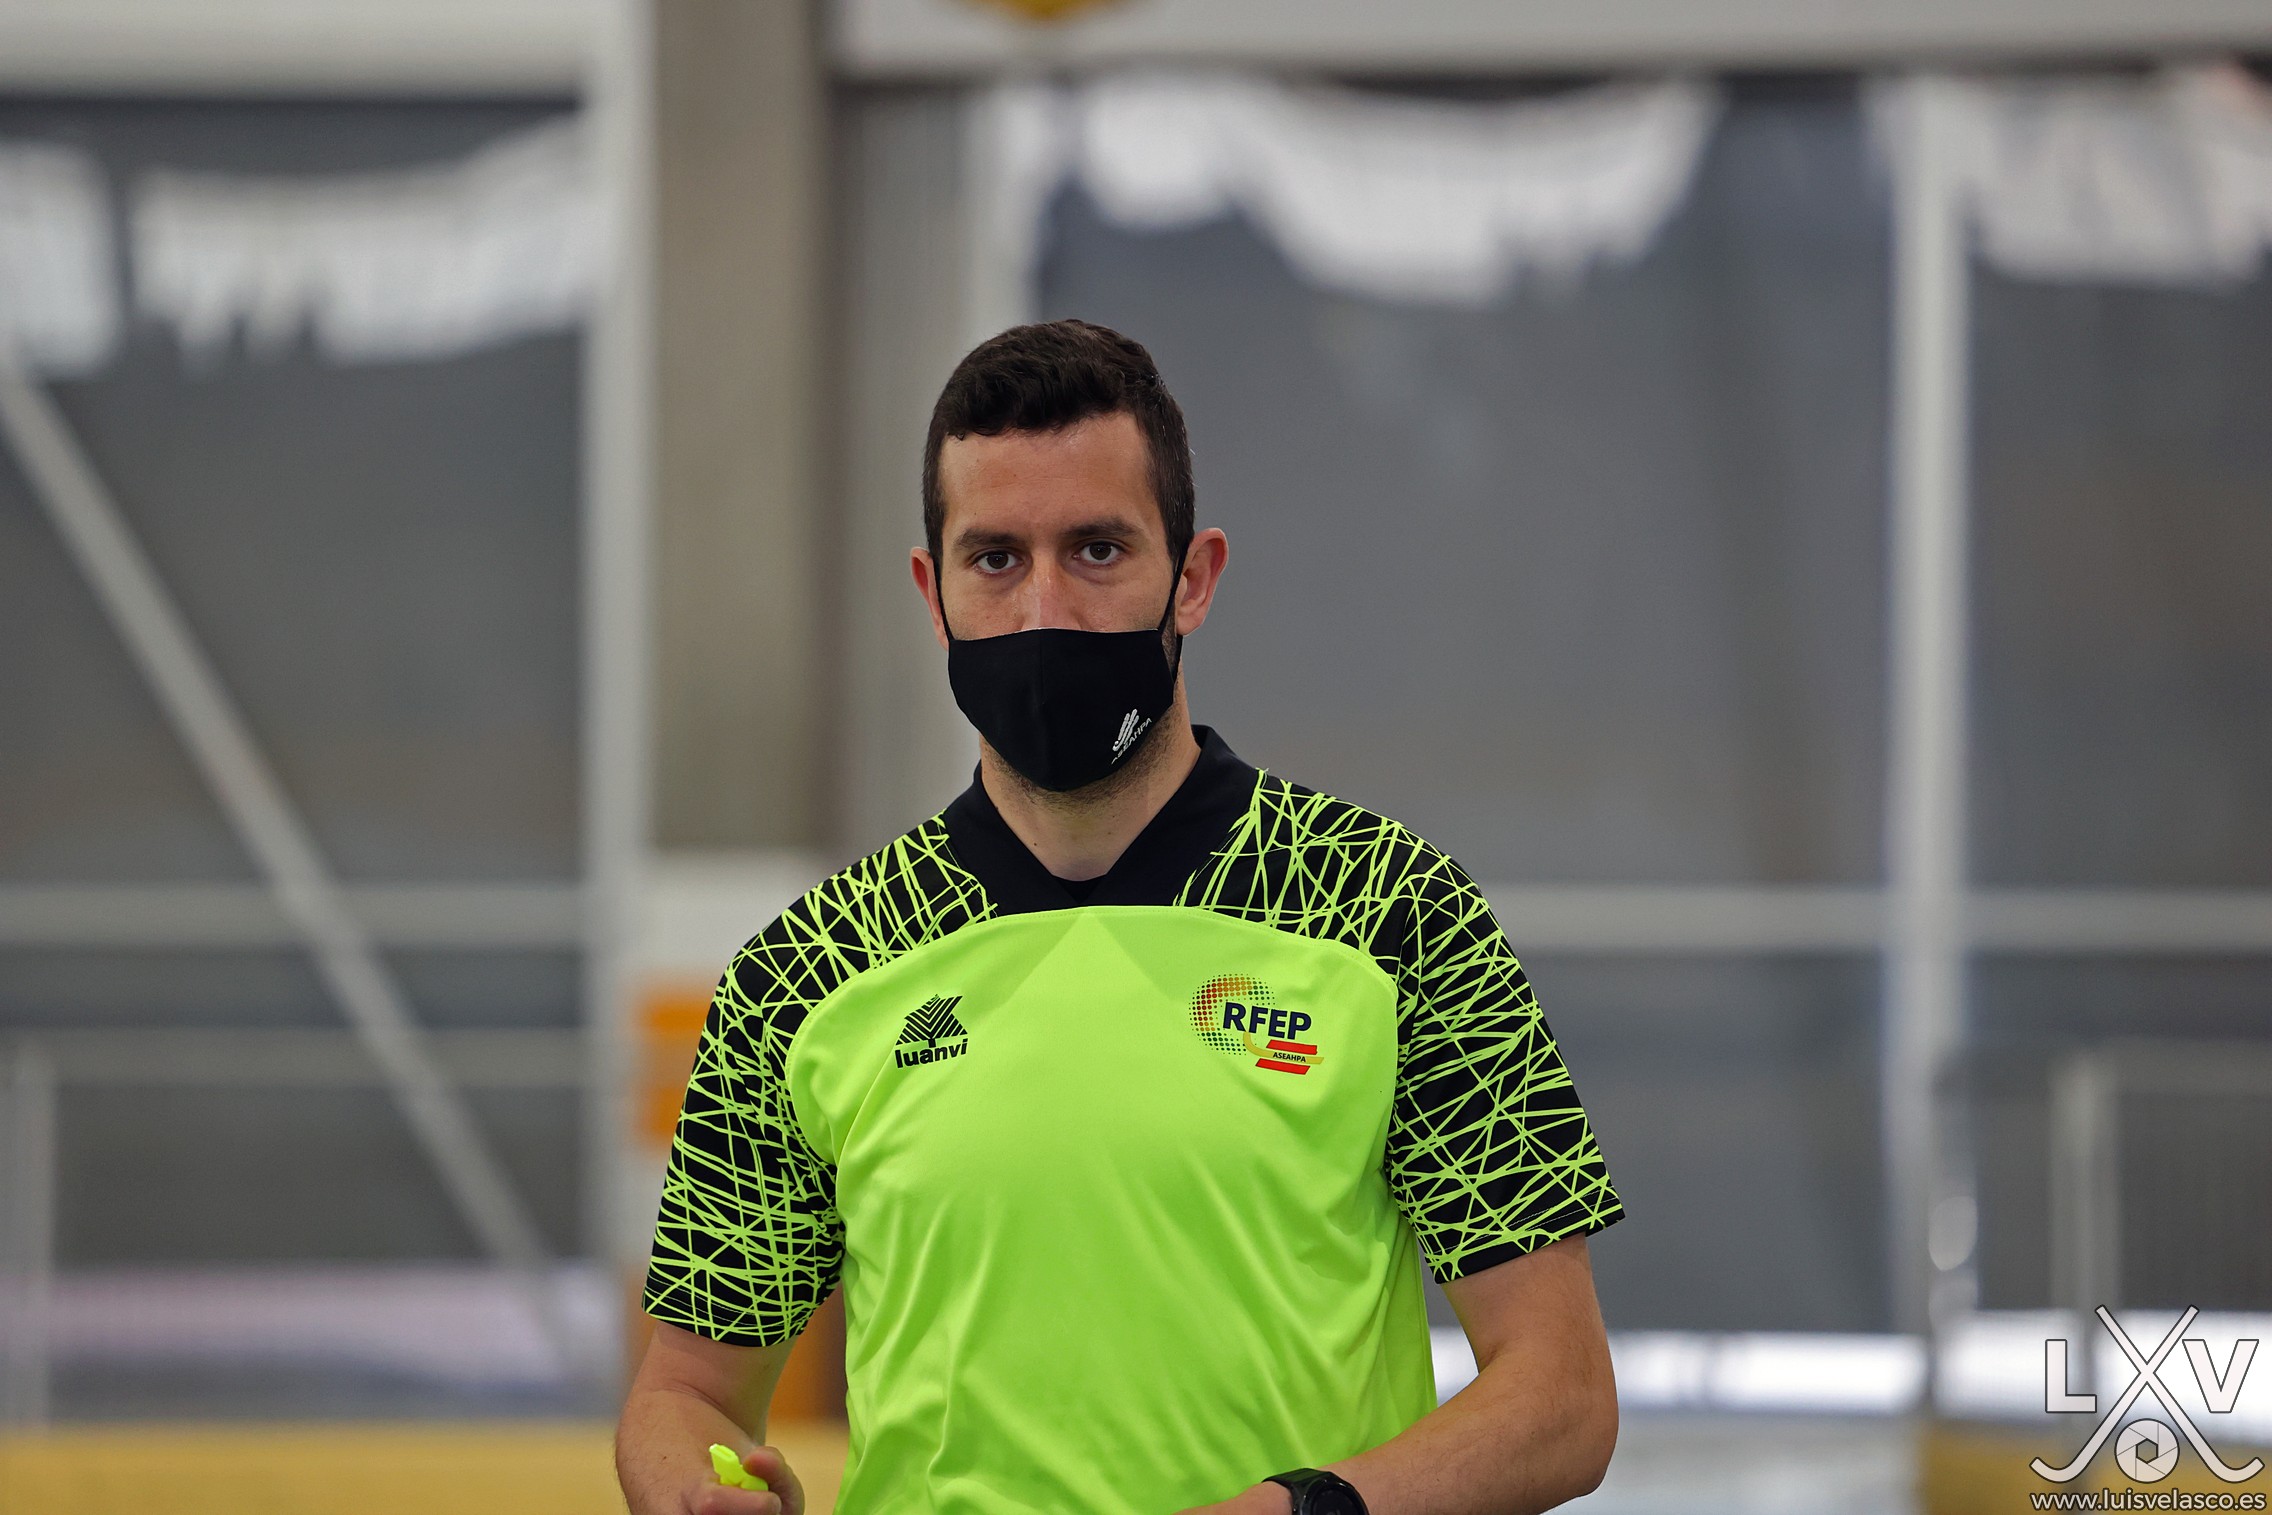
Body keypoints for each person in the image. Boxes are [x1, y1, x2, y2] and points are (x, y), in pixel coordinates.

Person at [615, 320, 1624, 1515]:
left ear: (1192, 576)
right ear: (933, 594)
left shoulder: (1389, 911)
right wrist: (689, 1485)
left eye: (1097, 549)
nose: (1045, 608)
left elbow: (1561, 1394)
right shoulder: (811, 968)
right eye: (996, 559)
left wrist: (1298, 1512)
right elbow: (684, 1392)